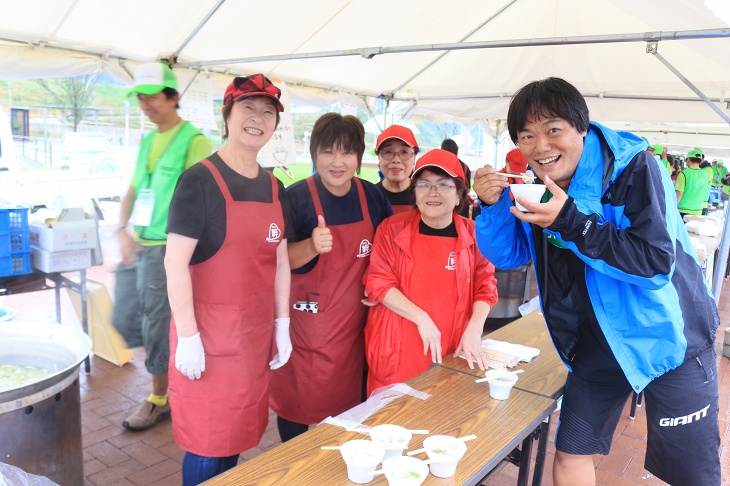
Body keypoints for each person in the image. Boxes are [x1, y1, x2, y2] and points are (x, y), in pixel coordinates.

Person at [472, 77, 720, 486]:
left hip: (671, 339)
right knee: (571, 456)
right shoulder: (540, 185)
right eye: (527, 136)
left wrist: (571, 222)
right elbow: (511, 255)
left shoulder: (635, 169)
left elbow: (655, 262)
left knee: (690, 473)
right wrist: (493, 205)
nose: (541, 146)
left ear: (581, 127)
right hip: (598, 343)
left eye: (554, 130)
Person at [164, 74, 293, 485]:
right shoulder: (199, 181)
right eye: (248, 108)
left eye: (268, 112)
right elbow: (174, 263)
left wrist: (283, 324)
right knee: (207, 445)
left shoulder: (276, 186)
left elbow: (281, 262)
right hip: (207, 342)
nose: (258, 118)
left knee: (235, 438)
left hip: (252, 342)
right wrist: (187, 336)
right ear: (227, 115)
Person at [270, 113, 392, 442]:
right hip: (304, 324)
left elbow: (387, 252)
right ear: (313, 155)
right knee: (295, 407)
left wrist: (381, 285)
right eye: (328, 152)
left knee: (348, 415)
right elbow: (279, 261)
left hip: (355, 327)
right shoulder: (294, 197)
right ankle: (293, 464)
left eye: (347, 152)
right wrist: (311, 245)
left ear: (359, 157)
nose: (337, 162)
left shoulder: (373, 197)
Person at [113, 62, 211, 432]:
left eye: (152, 97)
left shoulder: (193, 140)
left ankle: (159, 398)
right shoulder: (147, 140)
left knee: (155, 322)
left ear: (173, 98)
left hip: (166, 248)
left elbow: (204, 202)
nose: (145, 104)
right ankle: (172, 375)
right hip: (139, 242)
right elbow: (134, 189)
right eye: (140, 97)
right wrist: (121, 229)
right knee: (128, 320)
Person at [363, 149, 498, 394]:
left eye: (444, 185)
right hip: (397, 351)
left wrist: (475, 329)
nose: (432, 193)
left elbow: (485, 286)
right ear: (414, 193)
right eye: (424, 184)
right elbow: (378, 281)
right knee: (390, 424)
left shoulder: (475, 235)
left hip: (451, 348)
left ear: (459, 196)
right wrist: (422, 318)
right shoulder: (391, 229)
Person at [374, 125, 419, 213]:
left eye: (404, 152)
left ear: (414, 157)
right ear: (379, 157)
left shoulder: (424, 197)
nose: (396, 160)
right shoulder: (369, 197)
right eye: (388, 152)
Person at [441, 139, 473, 217]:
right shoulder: (464, 166)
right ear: (457, 151)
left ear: (442, 150)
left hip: (443, 204)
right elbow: (468, 187)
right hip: (462, 206)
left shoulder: (438, 166)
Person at [675, 147, 712, 216]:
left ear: (688, 160)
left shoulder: (684, 173)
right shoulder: (705, 174)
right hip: (698, 210)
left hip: (683, 210)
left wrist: (673, 207)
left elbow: (679, 193)